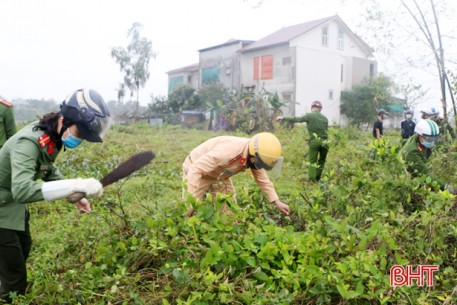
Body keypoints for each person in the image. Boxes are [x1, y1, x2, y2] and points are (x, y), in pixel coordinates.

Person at [0, 88, 112, 302]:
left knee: (22, 250)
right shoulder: (29, 142)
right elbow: (22, 190)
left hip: (12, 206)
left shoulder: (51, 137)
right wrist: (73, 185)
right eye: (79, 133)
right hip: (3, 205)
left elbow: (47, 168)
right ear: (66, 120)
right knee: (15, 277)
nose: (78, 140)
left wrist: (78, 195)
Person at [182, 132, 290, 216]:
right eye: (259, 164)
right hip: (198, 171)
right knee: (190, 211)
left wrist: (277, 201)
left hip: (220, 175)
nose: (259, 168)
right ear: (253, 156)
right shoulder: (226, 153)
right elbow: (195, 170)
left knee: (229, 213)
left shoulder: (255, 155)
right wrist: (192, 199)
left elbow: (262, 179)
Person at [276, 101, 329, 181]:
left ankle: (312, 180)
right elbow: (325, 130)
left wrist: (283, 118)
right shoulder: (325, 118)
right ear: (320, 109)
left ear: (312, 108)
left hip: (314, 142)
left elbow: (297, 119)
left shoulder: (309, 115)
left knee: (312, 162)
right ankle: (317, 178)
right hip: (325, 142)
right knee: (321, 161)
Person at [400, 119, 455, 194]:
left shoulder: (421, 141)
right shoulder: (412, 152)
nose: (432, 142)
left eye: (434, 139)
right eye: (429, 139)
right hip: (407, 180)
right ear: (420, 135)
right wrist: (445, 187)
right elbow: (424, 175)